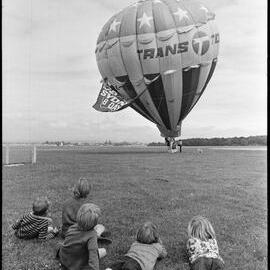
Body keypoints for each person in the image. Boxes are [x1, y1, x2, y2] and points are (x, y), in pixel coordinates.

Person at [56, 203, 107, 270]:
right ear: (95, 223)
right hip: (76, 265)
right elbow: (93, 256)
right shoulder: (92, 236)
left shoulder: (72, 227)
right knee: (104, 251)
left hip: (64, 258)